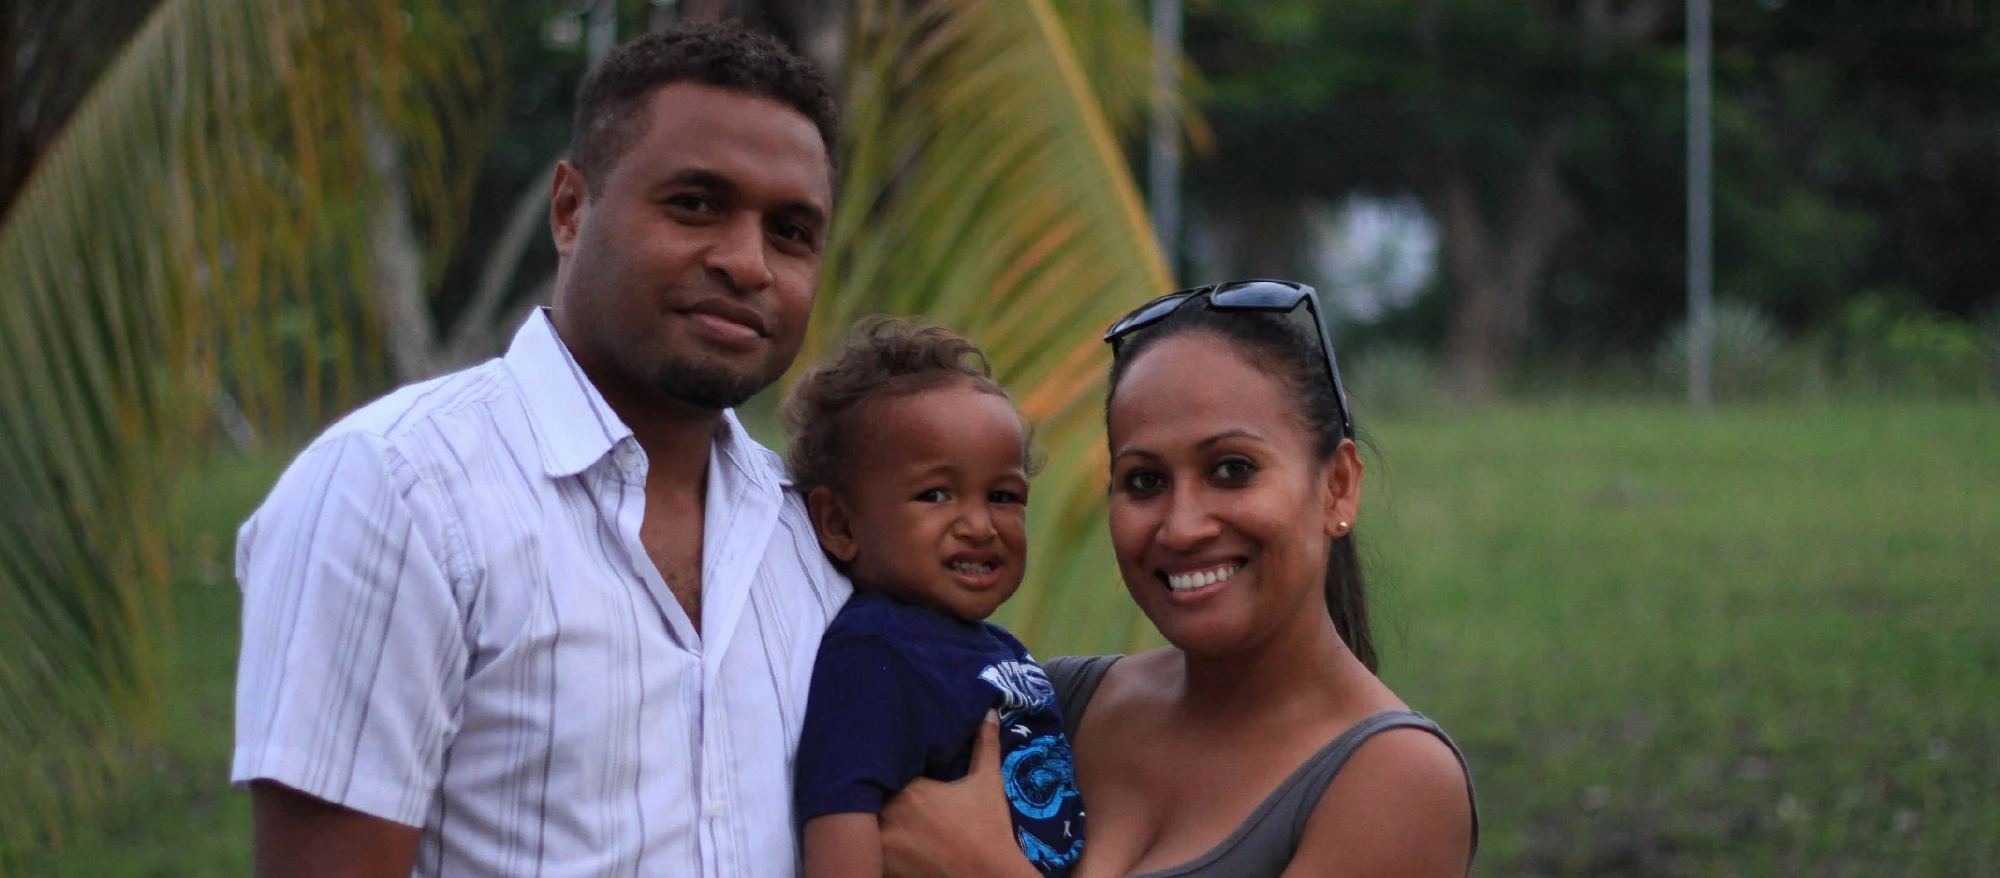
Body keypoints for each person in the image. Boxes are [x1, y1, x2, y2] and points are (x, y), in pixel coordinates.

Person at [230, 23, 849, 877]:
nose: (748, 263)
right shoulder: (398, 489)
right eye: (695, 205)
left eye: (790, 232)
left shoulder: (808, 537)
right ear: (570, 210)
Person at [874, 280, 1478, 877]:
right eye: (1144, 481)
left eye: (1232, 469)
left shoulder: (1397, 781)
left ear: (1338, 486)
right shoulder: (1053, 705)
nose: (1182, 527)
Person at [783, 319, 1085, 878]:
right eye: (936, 494)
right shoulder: (874, 654)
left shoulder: (997, 647)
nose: (979, 525)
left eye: (1002, 495)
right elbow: (839, 814)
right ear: (839, 524)